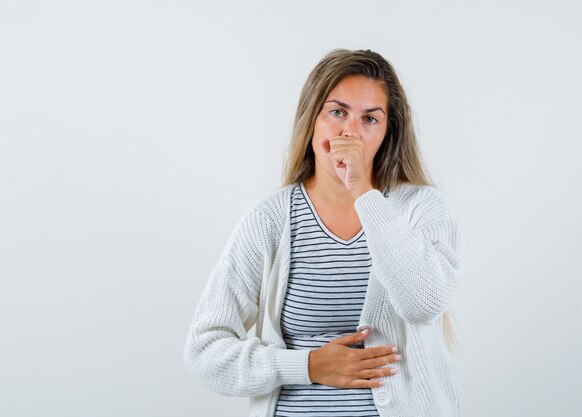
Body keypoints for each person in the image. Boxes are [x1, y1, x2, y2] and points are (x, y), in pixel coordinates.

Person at [183, 48, 467, 417]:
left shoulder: (422, 209)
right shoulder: (271, 219)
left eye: (370, 119)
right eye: (337, 112)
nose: (350, 130)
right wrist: (307, 365)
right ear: (311, 120)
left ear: (387, 131)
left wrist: (363, 191)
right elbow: (204, 350)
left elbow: (422, 304)